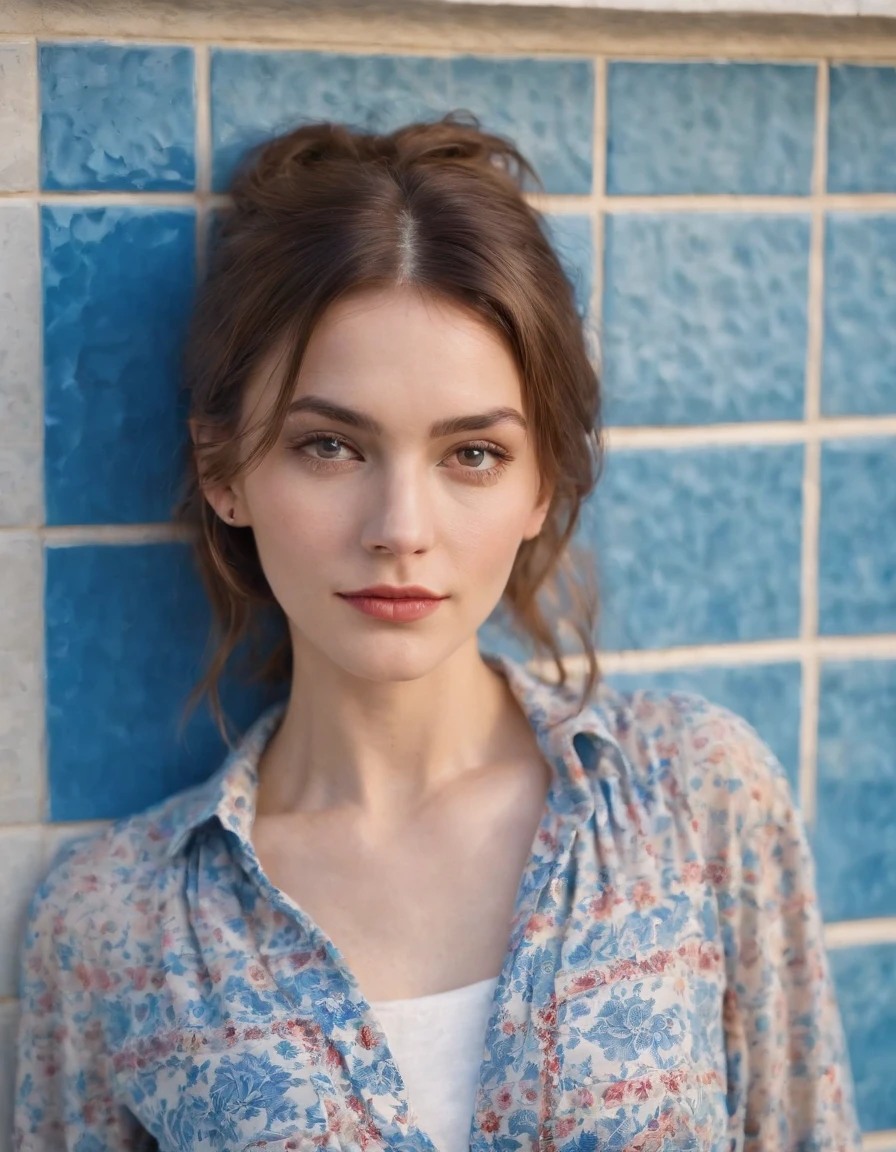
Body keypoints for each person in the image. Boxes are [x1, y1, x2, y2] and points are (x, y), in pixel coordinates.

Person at [14, 113, 861, 1152]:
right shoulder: (114, 929)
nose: (399, 532)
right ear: (223, 470)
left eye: (471, 455)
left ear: (541, 481)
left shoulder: (693, 798)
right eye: (329, 446)